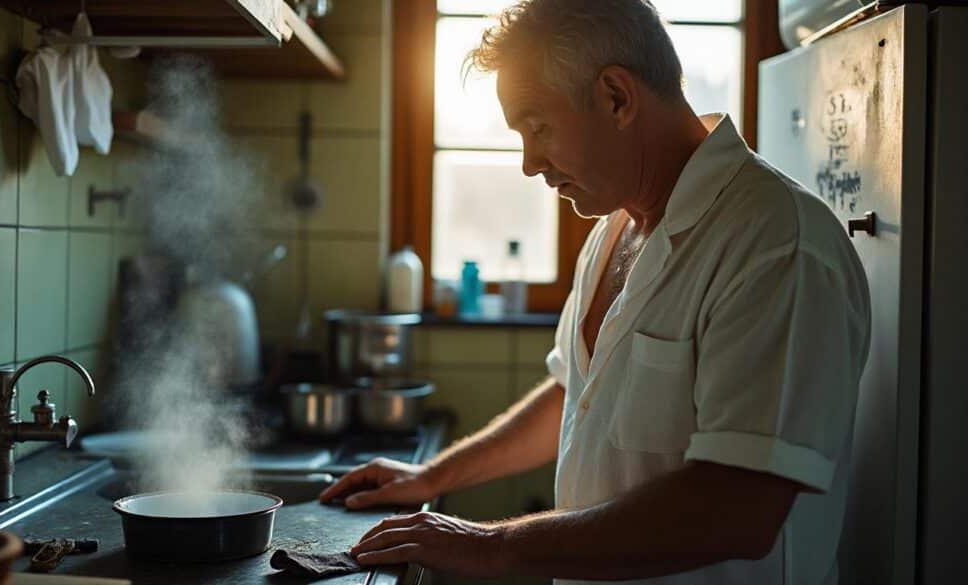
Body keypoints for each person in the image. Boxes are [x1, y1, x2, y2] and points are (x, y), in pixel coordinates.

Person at [320, 1, 870, 583]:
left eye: (538, 128)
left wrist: (488, 544)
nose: (530, 164)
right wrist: (433, 476)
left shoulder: (777, 243)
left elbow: (739, 509)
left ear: (616, 96)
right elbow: (575, 394)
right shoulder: (614, 227)